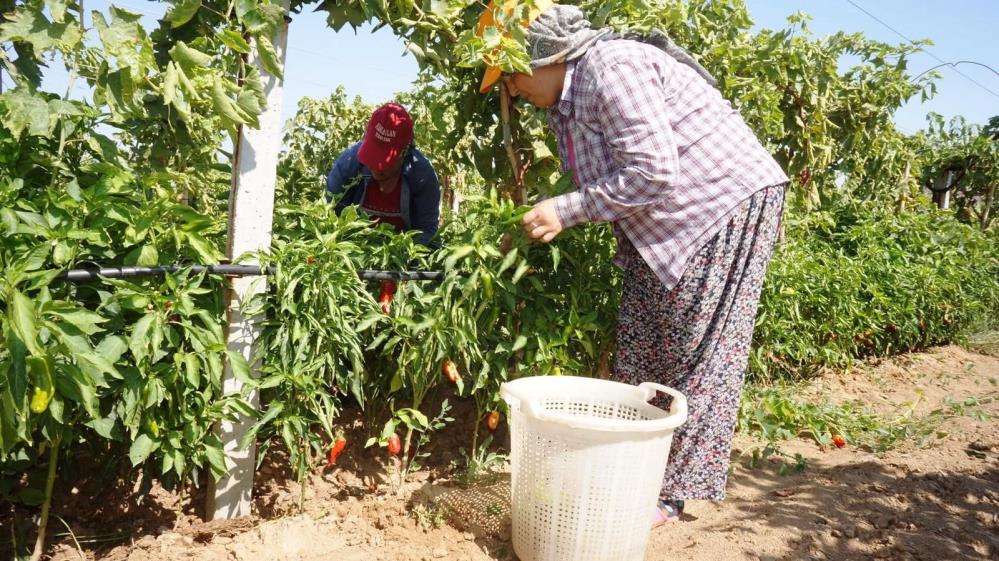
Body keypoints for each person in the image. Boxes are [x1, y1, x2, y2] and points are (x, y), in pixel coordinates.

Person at [478, 2, 789, 525]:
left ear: (545, 53)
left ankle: (668, 494)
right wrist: (536, 220)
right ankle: (630, 471)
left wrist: (565, 211)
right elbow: (600, 182)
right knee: (641, 343)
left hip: (719, 204)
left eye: (510, 73)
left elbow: (652, 172)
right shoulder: (562, 106)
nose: (509, 88)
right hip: (661, 224)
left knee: (696, 350)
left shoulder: (612, 67)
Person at [325, 103, 441, 247]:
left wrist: (405, 256)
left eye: (384, 159)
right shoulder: (348, 165)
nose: (376, 166)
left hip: (401, 254)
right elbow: (333, 218)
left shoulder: (422, 176)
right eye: (372, 154)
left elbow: (427, 231)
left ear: (404, 152)